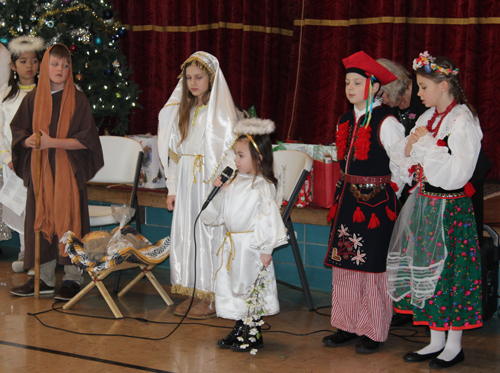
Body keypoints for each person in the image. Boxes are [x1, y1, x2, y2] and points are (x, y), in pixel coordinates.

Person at [387, 52, 482, 369]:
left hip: (450, 209)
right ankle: (435, 341)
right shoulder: (428, 118)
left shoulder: (463, 121)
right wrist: (413, 145)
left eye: (424, 87)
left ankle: (454, 345)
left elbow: (458, 173)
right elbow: (408, 159)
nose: (419, 94)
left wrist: (427, 146)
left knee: (451, 273)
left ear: (443, 86)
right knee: (427, 270)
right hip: (426, 205)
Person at [322, 51, 405, 354]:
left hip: (376, 207)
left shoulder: (387, 122)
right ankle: (346, 324)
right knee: (345, 264)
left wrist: (387, 190)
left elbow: (404, 164)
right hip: (347, 203)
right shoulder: (346, 119)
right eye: (347, 83)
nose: (350, 88)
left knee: (372, 268)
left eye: (357, 82)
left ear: (374, 85)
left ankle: (373, 329)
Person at [9, 44, 103, 300]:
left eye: (65, 65)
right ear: (44, 67)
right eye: (54, 64)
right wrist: (27, 141)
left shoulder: (78, 99)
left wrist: (53, 143)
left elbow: (87, 141)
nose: (60, 69)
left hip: (68, 175)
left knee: (69, 221)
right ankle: (44, 278)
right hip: (41, 173)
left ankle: (73, 278)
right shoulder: (33, 99)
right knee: (41, 220)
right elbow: (19, 132)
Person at [158, 51, 238, 319]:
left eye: (199, 77)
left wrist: (221, 181)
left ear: (211, 78)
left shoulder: (223, 114)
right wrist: (172, 189)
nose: (193, 83)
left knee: (208, 236)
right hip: (185, 180)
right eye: (188, 78)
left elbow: (230, 151)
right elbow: (174, 154)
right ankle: (194, 291)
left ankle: (212, 295)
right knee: (187, 236)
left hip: (209, 180)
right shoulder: (184, 110)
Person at [201, 118, 287, 352]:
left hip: (251, 247)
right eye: (235, 155)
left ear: (258, 158)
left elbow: (268, 220)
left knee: (251, 288)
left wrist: (265, 250)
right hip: (233, 244)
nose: (235, 160)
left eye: (241, 156)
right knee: (235, 286)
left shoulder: (262, 185)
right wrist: (217, 191)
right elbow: (216, 216)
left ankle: (253, 332)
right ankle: (240, 328)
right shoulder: (234, 181)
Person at [0, 36, 44, 273]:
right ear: (13, 66)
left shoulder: (48, 94)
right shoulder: (5, 98)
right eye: (23, 61)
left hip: (44, 162)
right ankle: (26, 251)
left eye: (34, 61)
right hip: (15, 165)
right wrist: (7, 158)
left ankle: (43, 253)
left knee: (42, 205)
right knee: (23, 206)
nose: (29, 66)